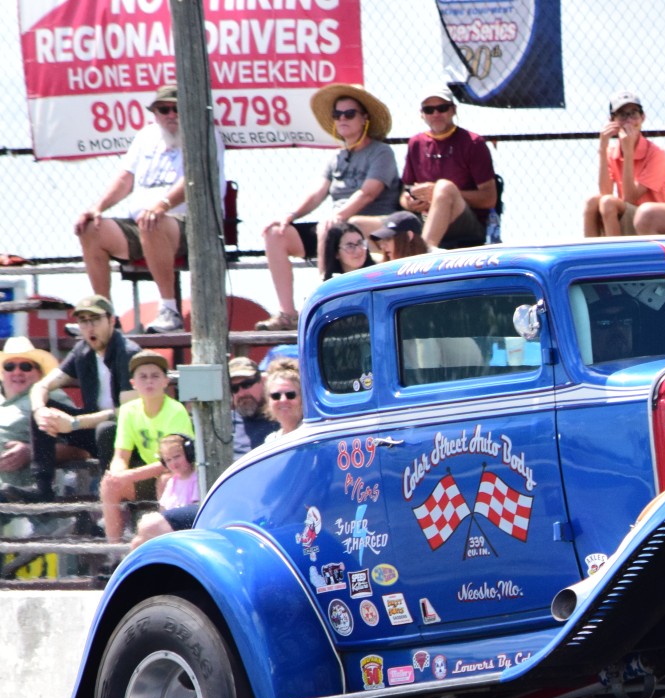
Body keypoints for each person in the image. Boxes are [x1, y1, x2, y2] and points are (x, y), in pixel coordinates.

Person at [72, 84, 226, 334]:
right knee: (90, 228)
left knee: (152, 221)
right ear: (155, 113)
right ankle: (103, 315)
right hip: (143, 221)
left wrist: (162, 205)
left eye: (177, 108)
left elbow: (195, 179)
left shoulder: (204, 134)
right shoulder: (146, 136)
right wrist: (97, 207)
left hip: (193, 225)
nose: (171, 115)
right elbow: (125, 179)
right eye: (163, 109)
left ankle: (169, 311)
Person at [256, 84, 400, 331]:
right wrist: (289, 216)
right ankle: (287, 315)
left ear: (364, 118)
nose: (342, 119)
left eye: (349, 113)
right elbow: (317, 193)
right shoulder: (335, 157)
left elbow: (368, 192)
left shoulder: (381, 152)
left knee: (329, 226)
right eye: (337, 114)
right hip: (335, 227)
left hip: (373, 225)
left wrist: (338, 217)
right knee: (275, 234)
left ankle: (322, 300)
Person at [22, 295, 140, 502]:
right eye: (83, 321)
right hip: (92, 429)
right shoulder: (82, 351)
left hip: (126, 434)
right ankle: (42, 488)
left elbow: (127, 412)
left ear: (111, 320)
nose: (89, 327)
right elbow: (41, 386)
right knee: (44, 410)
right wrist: (40, 410)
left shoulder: (127, 353)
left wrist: (75, 423)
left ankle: (110, 502)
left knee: (106, 430)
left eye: (95, 319)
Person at [100, 352, 193, 542]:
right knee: (109, 484)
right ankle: (113, 550)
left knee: (166, 480)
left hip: (173, 472)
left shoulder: (176, 411)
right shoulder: (128, 410)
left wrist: (129, 475)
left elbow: (174, 462)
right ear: (133, 383)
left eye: (155, 376)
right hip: (146, 476)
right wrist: (117, 474)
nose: (149, 381)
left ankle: (163, 542)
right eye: (143, 376)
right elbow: (121, 455)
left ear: (166, 381)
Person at [399, 87, 498, 250]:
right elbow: (405, 193)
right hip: (424, 218)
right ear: (422, 114)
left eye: (442, 108)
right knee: (362, 223)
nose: (436, 114)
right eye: (429, 110)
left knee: (444, 188)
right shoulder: (416, 143)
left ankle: (424, 254)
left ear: (453, 110)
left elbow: (489, 198)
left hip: (467, 225)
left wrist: (438, 194)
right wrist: (410, 202)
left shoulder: (473, 142)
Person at [584, 92, 665, 237]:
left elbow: (630, 198)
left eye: (633, 113)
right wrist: (602, 149)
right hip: (631, 217)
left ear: (642, 117)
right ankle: (590, 251)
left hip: (654, 224)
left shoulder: (657, 154)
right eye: (622, 115)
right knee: (592, 202)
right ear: (612, 120)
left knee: (608, 203)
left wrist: (628, 154)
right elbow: (605, 192)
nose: (628, 120)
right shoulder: (612, 152)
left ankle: (618, 251)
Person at [0, 338, 67, 499]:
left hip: (19, 497)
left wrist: (31, 451)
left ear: (39, 373)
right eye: (9, 366)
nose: (17, 372)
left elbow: (81, 449)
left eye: (25, 366)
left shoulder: (50, 398)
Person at [129, 433, 198, 548]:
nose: (173, 463)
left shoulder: (196, 479)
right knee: (137, 542)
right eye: (168, 460)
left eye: (177, 457)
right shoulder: (172, 482)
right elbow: (163, 510)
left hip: (184, 530)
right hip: (170, 528)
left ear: (189, 454)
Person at [228, 356, 274, 457]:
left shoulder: (281, 416)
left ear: (262, 381)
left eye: (247, 384)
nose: (241, 393)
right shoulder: (225, 425)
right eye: (234, 388)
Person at [262, 358, 303, 443]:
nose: (283, 400)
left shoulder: (312, 434)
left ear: (302, 399)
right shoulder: (271, 441)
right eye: (276, 396)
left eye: (290, 395)